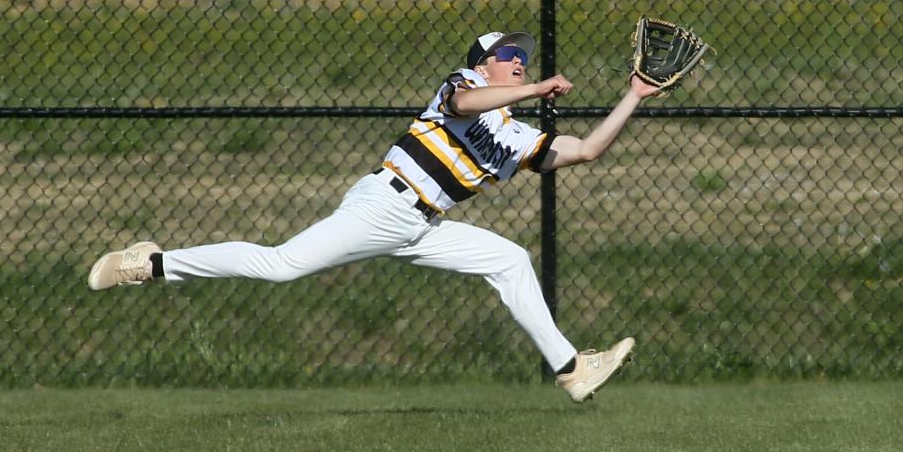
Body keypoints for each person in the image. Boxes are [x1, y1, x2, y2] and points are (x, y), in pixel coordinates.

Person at [88, 30, 661, 402]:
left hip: (421, 225)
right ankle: (152, 264)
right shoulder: (463, 86)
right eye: (511, 58)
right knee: (282, 264)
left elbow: (585, 150)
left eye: (523, 60)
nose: (519, 64)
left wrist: (633, 95)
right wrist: (535, 87)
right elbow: (464, 105)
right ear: (485, 64)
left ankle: (571, 369)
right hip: (386, 202)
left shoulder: (515, 135)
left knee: (509, 259)